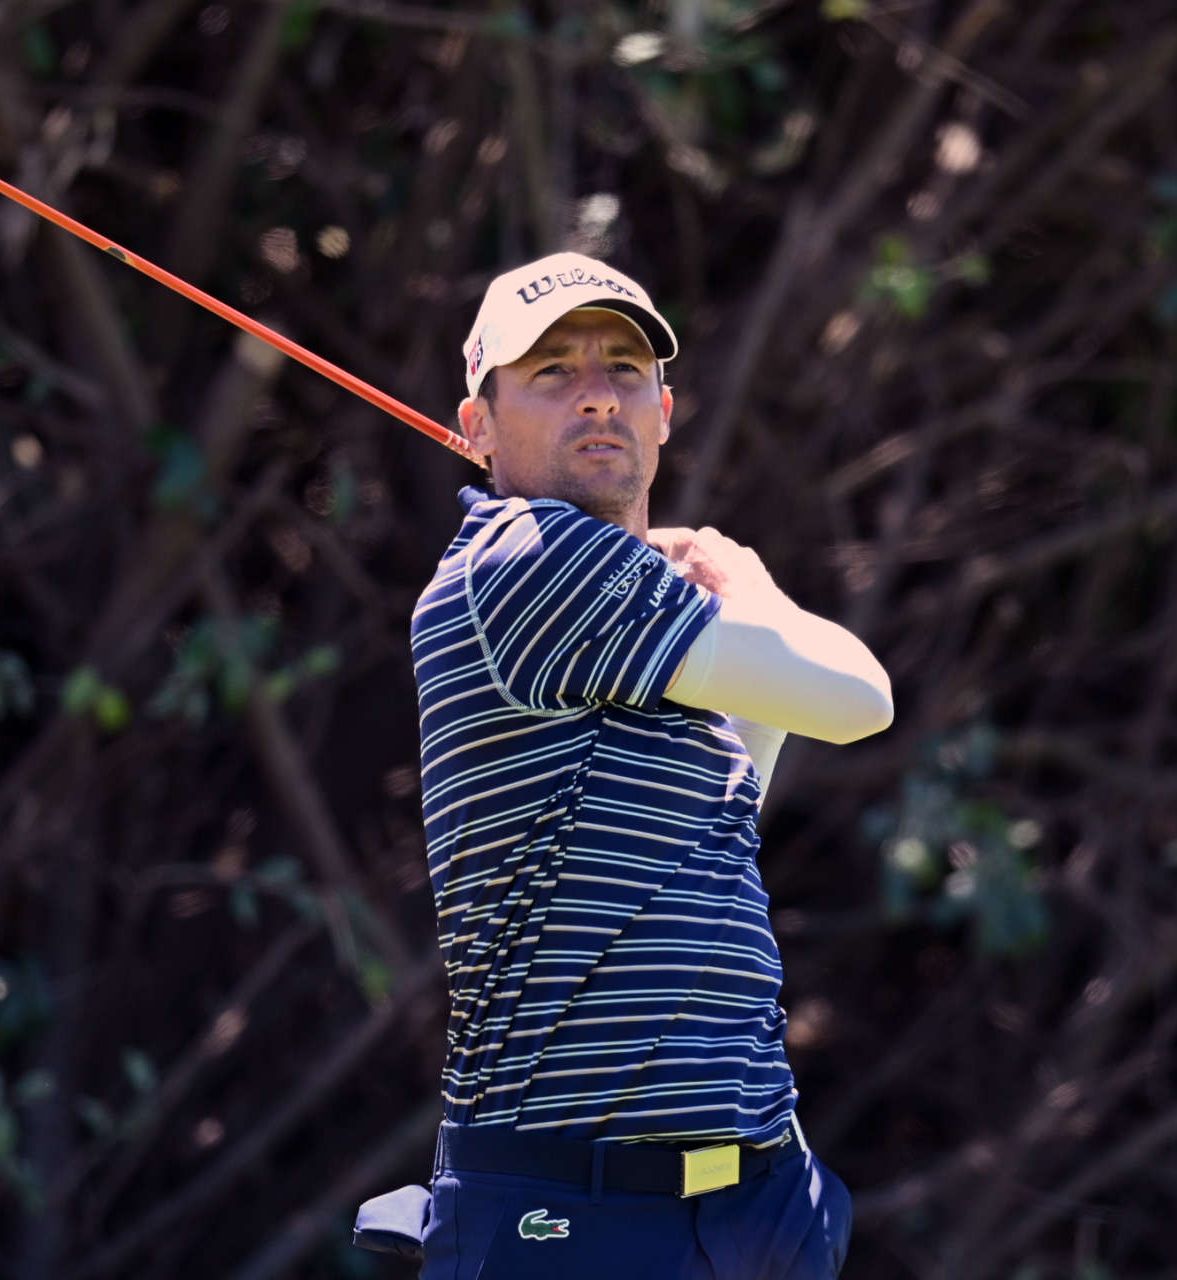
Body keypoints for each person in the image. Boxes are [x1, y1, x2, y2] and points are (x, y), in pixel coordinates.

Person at [355, 252, 892, 1279]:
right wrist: (752, 586)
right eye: (552, 371)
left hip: (752, 1197)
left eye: (625, 370)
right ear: (476, 426)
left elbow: (720, 814)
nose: (597, 393)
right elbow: (861, 698)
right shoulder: (523, 558)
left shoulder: (635, 611)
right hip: (578, 1210)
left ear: (664, 413)